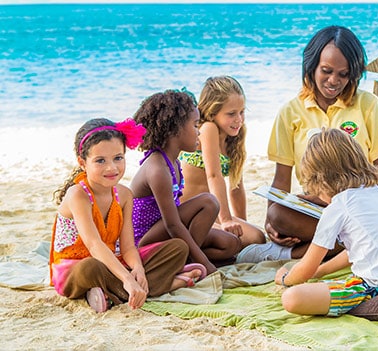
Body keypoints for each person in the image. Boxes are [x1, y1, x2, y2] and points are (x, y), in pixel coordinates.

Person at [236, 25, 378, 263]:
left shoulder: (368, 105)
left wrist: (335, 196)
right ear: (311, 66)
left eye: (343, 74)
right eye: (326, 71)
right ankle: (344, 247)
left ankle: (295, 254)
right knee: (278, 213)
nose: (334, 81)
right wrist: (270, 224)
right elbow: (281, 180)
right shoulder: (290, 112)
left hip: (359, 207)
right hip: (316, 212)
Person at [49, 118, 206, 313]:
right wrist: (127, 278)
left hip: (113, 262)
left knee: (178, 248)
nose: (112, 168)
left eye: (118, 158)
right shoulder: (78, 195)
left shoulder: (124, 195)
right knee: (90, 267)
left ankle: (112, 295)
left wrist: (138, 269)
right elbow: (94, 245)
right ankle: (158, 286)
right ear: (83, 163)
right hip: (76, 267)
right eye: (100, 161)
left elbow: (128, 247)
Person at [273, 128, 378, 317]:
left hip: (376, 289)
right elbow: (358, 249)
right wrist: (321, 272)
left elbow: (306, 269)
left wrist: (285, 278)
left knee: (292, 298)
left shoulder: (339, 206)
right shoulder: (377, 193)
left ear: (320, 180)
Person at [131, 89, 241, 275]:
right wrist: (207, 264)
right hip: (143, 241)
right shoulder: (158, 169)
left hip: (164, 232)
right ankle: (190, 262)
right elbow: (172, 224)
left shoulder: (174, 162)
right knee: (208, 202)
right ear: (175, 129)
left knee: (230, 245)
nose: (199, 132)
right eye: (195, 125)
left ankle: (186, 261)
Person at [179, 76, 266, 247]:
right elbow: (213, 175)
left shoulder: (235, 136)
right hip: (189, 213)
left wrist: (242, 223)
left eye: (242, 112)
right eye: (231, 114)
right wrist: (226, 220)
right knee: (241, 241)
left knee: (256, 238)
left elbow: (236, 187)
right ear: (212, 113)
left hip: (210, 213)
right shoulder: (207, 128)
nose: (239, 119)